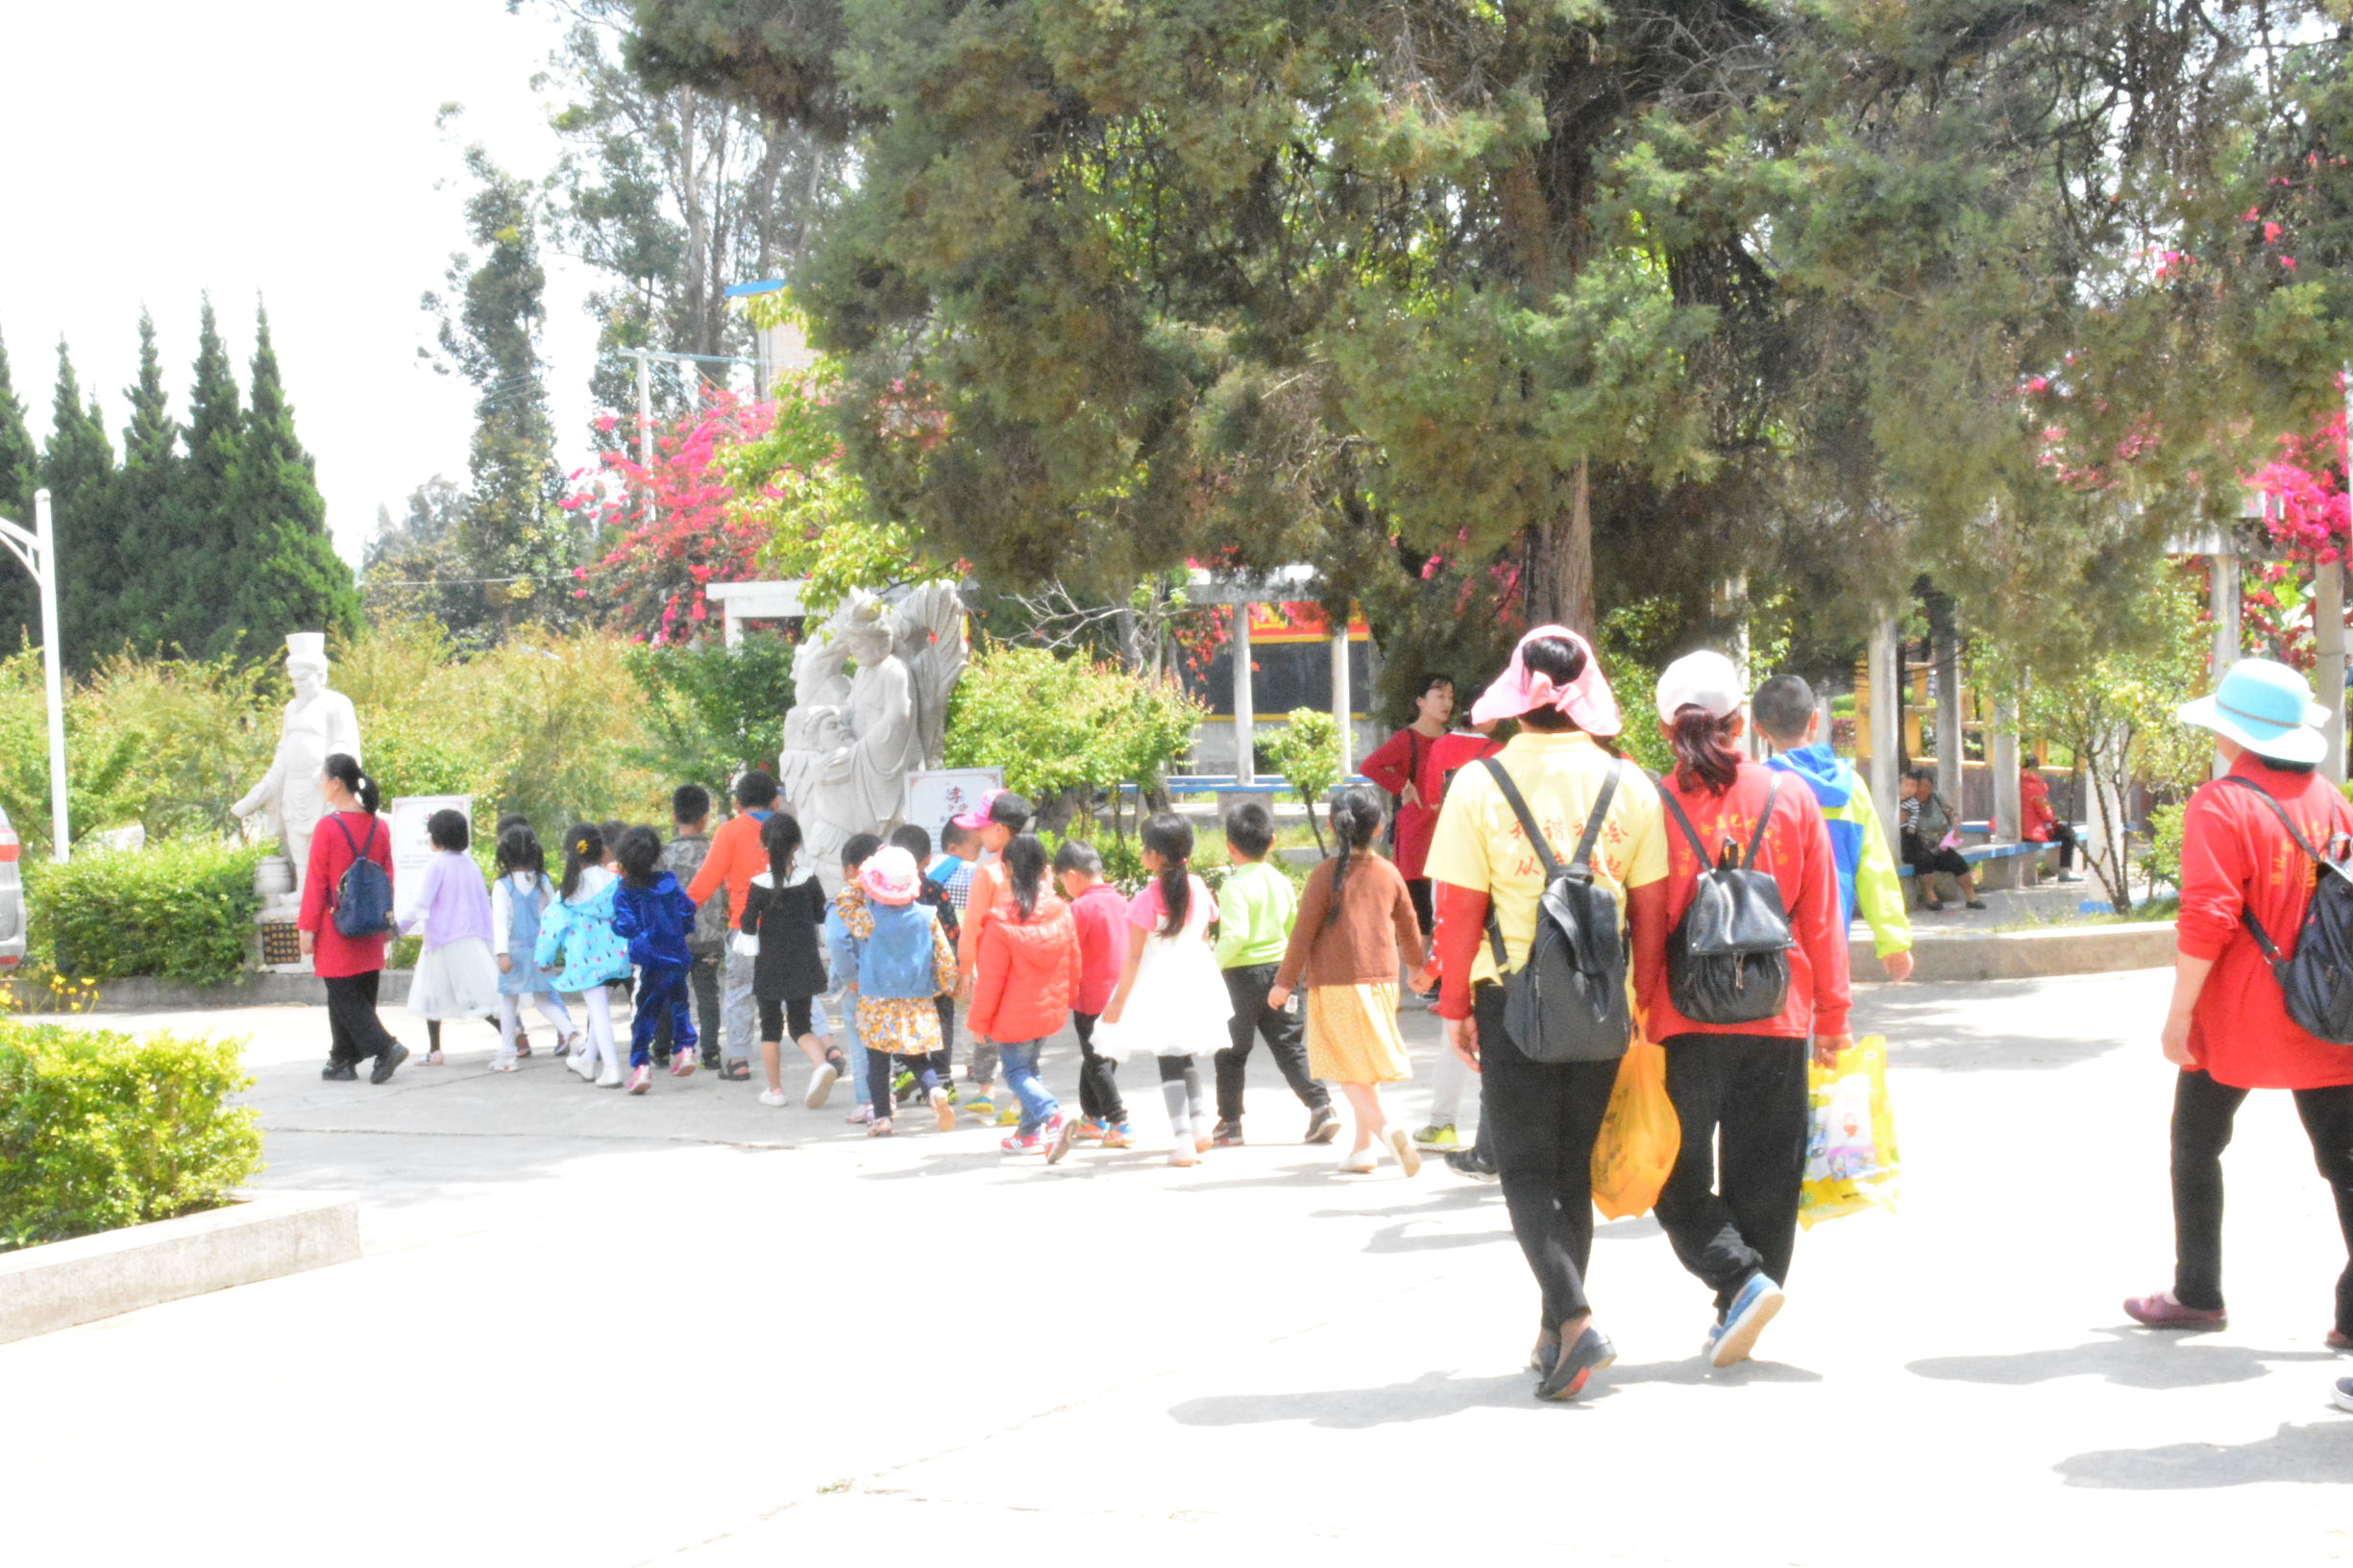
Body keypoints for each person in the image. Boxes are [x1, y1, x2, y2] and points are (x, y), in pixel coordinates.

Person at [1425, 625, 1669, 1401]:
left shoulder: (1476, 782)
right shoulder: (1631, 785)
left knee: (1525, 1171)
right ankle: (1550, 1333)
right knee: (1568, 1171)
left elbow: (1459, 912)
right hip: (1602, 1001)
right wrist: (1641, 1004)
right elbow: (1652, 913)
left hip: (1510, 1002)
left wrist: (1454, 1005)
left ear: (1518, 689)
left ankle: (1572, 1318)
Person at [2122, 657, 2353, 1353]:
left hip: (2237, 1016)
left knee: (2194, 1144)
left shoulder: (2221, 803)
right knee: (2343, 1162)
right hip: (2329, 1012)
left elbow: (2207, 919)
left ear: (2234, 734)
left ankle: (2197, 1292)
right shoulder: (2332, 801)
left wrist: (2178, 1013)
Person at [1644, 651, 1853, 1367]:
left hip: (1681, 1021)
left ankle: (1735, 1282)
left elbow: (1648, 923)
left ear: (1667, 726)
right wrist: (1834, 1015)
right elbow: (1820, 914)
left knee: (1668, 1173)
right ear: (1741, 722)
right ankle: (1745, 1289)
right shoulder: (1789, 796)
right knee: (1765, 1172)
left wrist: (1640, 1015)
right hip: (1777, 1013)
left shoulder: (1655, 802)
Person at [1269, 786, 1428, 1174]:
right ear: (1378, 828)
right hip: (1382, 983)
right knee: (1364, 1066)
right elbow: (1410, 926)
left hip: (1335, 982)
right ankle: (1363, 1149)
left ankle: (1386, 1130)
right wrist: (1417, 969)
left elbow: (1303, 933)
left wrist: (1283, 982)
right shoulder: (1389, 873)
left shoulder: (1325, 875)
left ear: (1331, 826)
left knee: (1345, 1067)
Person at [1752, 674, 1915, 981]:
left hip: (1769, 940)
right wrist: (1893, 940)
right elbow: (1874, 868)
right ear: (1815, 719)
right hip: (1832, 937)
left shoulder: (1758, 787)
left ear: (1759, 729)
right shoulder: (1851, 786)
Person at [1097, 813, 1233, 1165]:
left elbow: (1134, 958)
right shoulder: (1200, 887)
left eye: (1145, 847)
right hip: (1197, 978)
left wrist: (1119, 1002)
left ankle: (1184, 1140)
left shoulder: (1145, 898)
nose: (1142, 852)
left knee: (1169, 1059)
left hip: (1159, 982)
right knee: (1185, 1056)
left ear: (1156, 855)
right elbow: (1205, 933)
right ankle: (1200, 1128)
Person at [1213, 802, 1340, 1147]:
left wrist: (1212, 965)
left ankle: (1230, 1124)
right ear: (1272, 841)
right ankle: (1321, 1107)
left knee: (1232, 1051)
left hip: (1239, 976)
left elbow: (1235, 935)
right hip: (1281, 974)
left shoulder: (1233, 886)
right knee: (1289, 1047)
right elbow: (1293, 928)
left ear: (1230, 846)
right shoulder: (1281, 882)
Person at [1412, 712, 1507, 1145]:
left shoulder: (1450, 852)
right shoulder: (1504, 838)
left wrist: (1432, 973)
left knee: (1462, 1046)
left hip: (1474, 970)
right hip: (1514, 962)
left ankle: (1448, 1126)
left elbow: (1448, 920)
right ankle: (1488, 1143)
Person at [298, 752, 408, 1085]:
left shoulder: (328, 828)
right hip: (371, 924)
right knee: (355, 993)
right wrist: (389, 923)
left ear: (336, 784)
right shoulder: (379, 826)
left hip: (337, 926)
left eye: (322, 779)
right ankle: (342, 1059)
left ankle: (386, 1047)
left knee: (345, 995)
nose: (319, 784)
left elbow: (317, 881)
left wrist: (307, 927)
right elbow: (388, 878)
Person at [968, 834, 1081, 1157]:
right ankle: (1028, 1135)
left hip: (1013, 1015)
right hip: (1048, 1010)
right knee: (1030, 1068)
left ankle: (1053, 1116)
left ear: (1006, 869)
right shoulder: (1062, 911)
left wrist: (979, 1022)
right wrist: (1068, 997)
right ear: (1045, 869)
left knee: (1016, 1072)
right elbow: (1074, 961)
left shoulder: (1000, 922)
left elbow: (990, 980)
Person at [837, 845, 959, 1137]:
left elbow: (843, 902)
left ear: (875, 885)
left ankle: (882, 1118)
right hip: (916, 998)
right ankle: (934, 1092)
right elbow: (945, 959)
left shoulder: (868, 919)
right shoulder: (928, 916)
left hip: (876, 999)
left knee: (877, 1060)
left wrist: (863, 878)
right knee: (917, 1057)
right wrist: (948, 987)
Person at [741, 812, 846, 1109]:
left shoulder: (758, 885)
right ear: (797, 845)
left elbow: (747, 926)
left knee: (770, 1028)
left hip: (770, 967)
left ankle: (775, 1091)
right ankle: (820, 1063)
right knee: (802, 1025)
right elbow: (820, 916)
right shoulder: (808, 879)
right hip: (804, 963)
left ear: (764, 846)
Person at [687, 770, 784, 1082]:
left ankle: (739, 1061)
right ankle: (827, 1050)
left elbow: (706, 880)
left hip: (745, 927)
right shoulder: (785, 828)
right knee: (796, 988)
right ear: (775, 801)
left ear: (739, 804)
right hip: (785, 924)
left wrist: (679, 912)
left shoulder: (730, 831)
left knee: (740, 991)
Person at [952, 789, 1035, 1122]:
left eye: (982, 827)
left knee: (984, 1027)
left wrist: (965, 970)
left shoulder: (987, 872)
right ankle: (1019, 1099)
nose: (977, 833)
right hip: (1028, 967)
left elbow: (972, 926)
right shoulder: (1037, 870)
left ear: (1000, 830)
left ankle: (987, 1091)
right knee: (1023, 1034)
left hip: (991, 967)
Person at [398, 809, 502, 1067]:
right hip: (472, 938)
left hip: (443, 940)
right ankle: (513, 1035)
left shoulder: (436, 866)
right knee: (481, 996)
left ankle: (435, 1051)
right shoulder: (471, 865)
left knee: (432, 995)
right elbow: (482, 903)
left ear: (438, 837)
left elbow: (420, 902)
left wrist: (397, 929)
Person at [1361, 674, 1457, 941]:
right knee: (1418, 918)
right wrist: (1402, 784)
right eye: (1439, 696)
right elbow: (1369, 766)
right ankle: (1420, 977)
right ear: (1420, 701)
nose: (1446, 702)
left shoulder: (1453, 740)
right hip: (1416, 836)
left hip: (1449, 835)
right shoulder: (1406, 739)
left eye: (1450, 696)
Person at [536, 823, 632, 1088]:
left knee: (599, 1012)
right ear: (602, 851)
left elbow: (551, 929)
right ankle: (588, 1062)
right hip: (617, 956)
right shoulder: (616, 882)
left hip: (586, 961)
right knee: (599, 1008)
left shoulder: (567, 894)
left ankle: (611, 1067)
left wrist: (543, 960)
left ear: (570, 854)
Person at [611, 826, 701, 1093]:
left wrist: (615, 927)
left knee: (645, 1014)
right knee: (679, 1004)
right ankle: (685, 1049)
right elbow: (688, 909)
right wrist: (680, 930)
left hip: (649, 961)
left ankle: (641, 1067)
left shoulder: (624, 893)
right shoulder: (669, 882)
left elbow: (626, 927)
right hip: (677, 955)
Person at [1055, 838, 1133, 1147]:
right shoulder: (1123, 902)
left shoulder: (1079, 908)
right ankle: (1092, 1117)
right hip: (1122, 994)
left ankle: (1119, 1120)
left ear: (1073, 875)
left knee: (1097, 1061)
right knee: (1101, 1059)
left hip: (1092, 997)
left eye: (1062, 880)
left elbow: (1067, 954)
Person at [492, 824, 577, 1066]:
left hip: (514, 951)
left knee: (509, 1000)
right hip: (542, 950)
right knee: (544, 1000)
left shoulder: (503, 885)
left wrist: (501, 953)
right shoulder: (543, 881)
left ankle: (508, 1052)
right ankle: (573, 1035)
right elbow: (557, 913)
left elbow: (500, 921)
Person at [657, 784, 728, 1068]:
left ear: (674, 816)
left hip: (672, 937)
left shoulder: (662, 855)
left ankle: (662, 1048)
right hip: (709, 936)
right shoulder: (716, 852)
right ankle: (710, 1051)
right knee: (708, 993)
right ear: (706, 817)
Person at [894, 823, 961, 1111]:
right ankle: (944, 1080)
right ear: (927, 859)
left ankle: (905, 1069)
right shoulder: (936, 890)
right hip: (937, 971)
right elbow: (952, 931)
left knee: (903, 1021)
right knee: (942, 1022)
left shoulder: (889, 895)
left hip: (901, 974)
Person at [824, 833, 886, 1124]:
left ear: (850, 869)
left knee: (860, 1041)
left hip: (860, 982)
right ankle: (888, 1097)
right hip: (889, 978)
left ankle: (867, 1100)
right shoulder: (889, 901)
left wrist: (849, 975)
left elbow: (837, 938)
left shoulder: (846, 903)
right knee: (886, 1040)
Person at [1900, 767, 1984, 912]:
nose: (1923, 790)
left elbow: (1952, 813)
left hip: (1939, 846)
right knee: (1924, 859)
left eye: (1928, 787)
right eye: (1920, 786)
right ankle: (1931, 897)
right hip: (1916, 847)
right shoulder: (1908, 802)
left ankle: (1972, 898)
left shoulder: (1936, 797)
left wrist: (1956, 825)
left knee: (1958, 862)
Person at [2019, 759, 2086, 884]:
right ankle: (2065, 871)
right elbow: (2045, 814)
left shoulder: (2015, 782)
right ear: (2035, 768)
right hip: (2031, 831)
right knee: (2068, 833)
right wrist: (2053, 819)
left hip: (2017, 831)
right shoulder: (2033, 785)